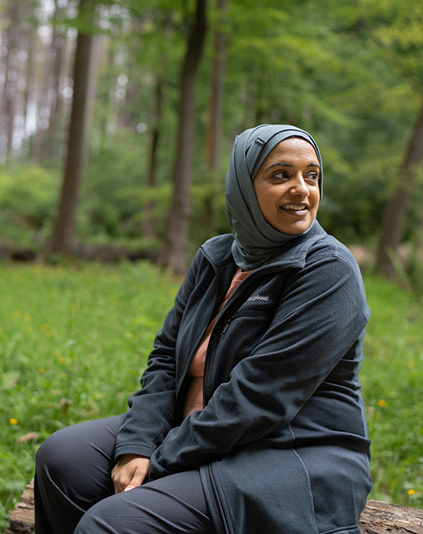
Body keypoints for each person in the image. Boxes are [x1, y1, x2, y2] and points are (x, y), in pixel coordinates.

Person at [34, 124, 371, 534]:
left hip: (289, 451)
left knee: (111, 524)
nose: (302, 189)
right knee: (61, 459)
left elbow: (259, 398)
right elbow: (165, 359)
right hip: (198, 428)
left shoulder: (328, 269)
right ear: (243, 185)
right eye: (281, 175)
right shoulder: (217, 257)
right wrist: (137, 443)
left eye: (312, 175)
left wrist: (156, 462)